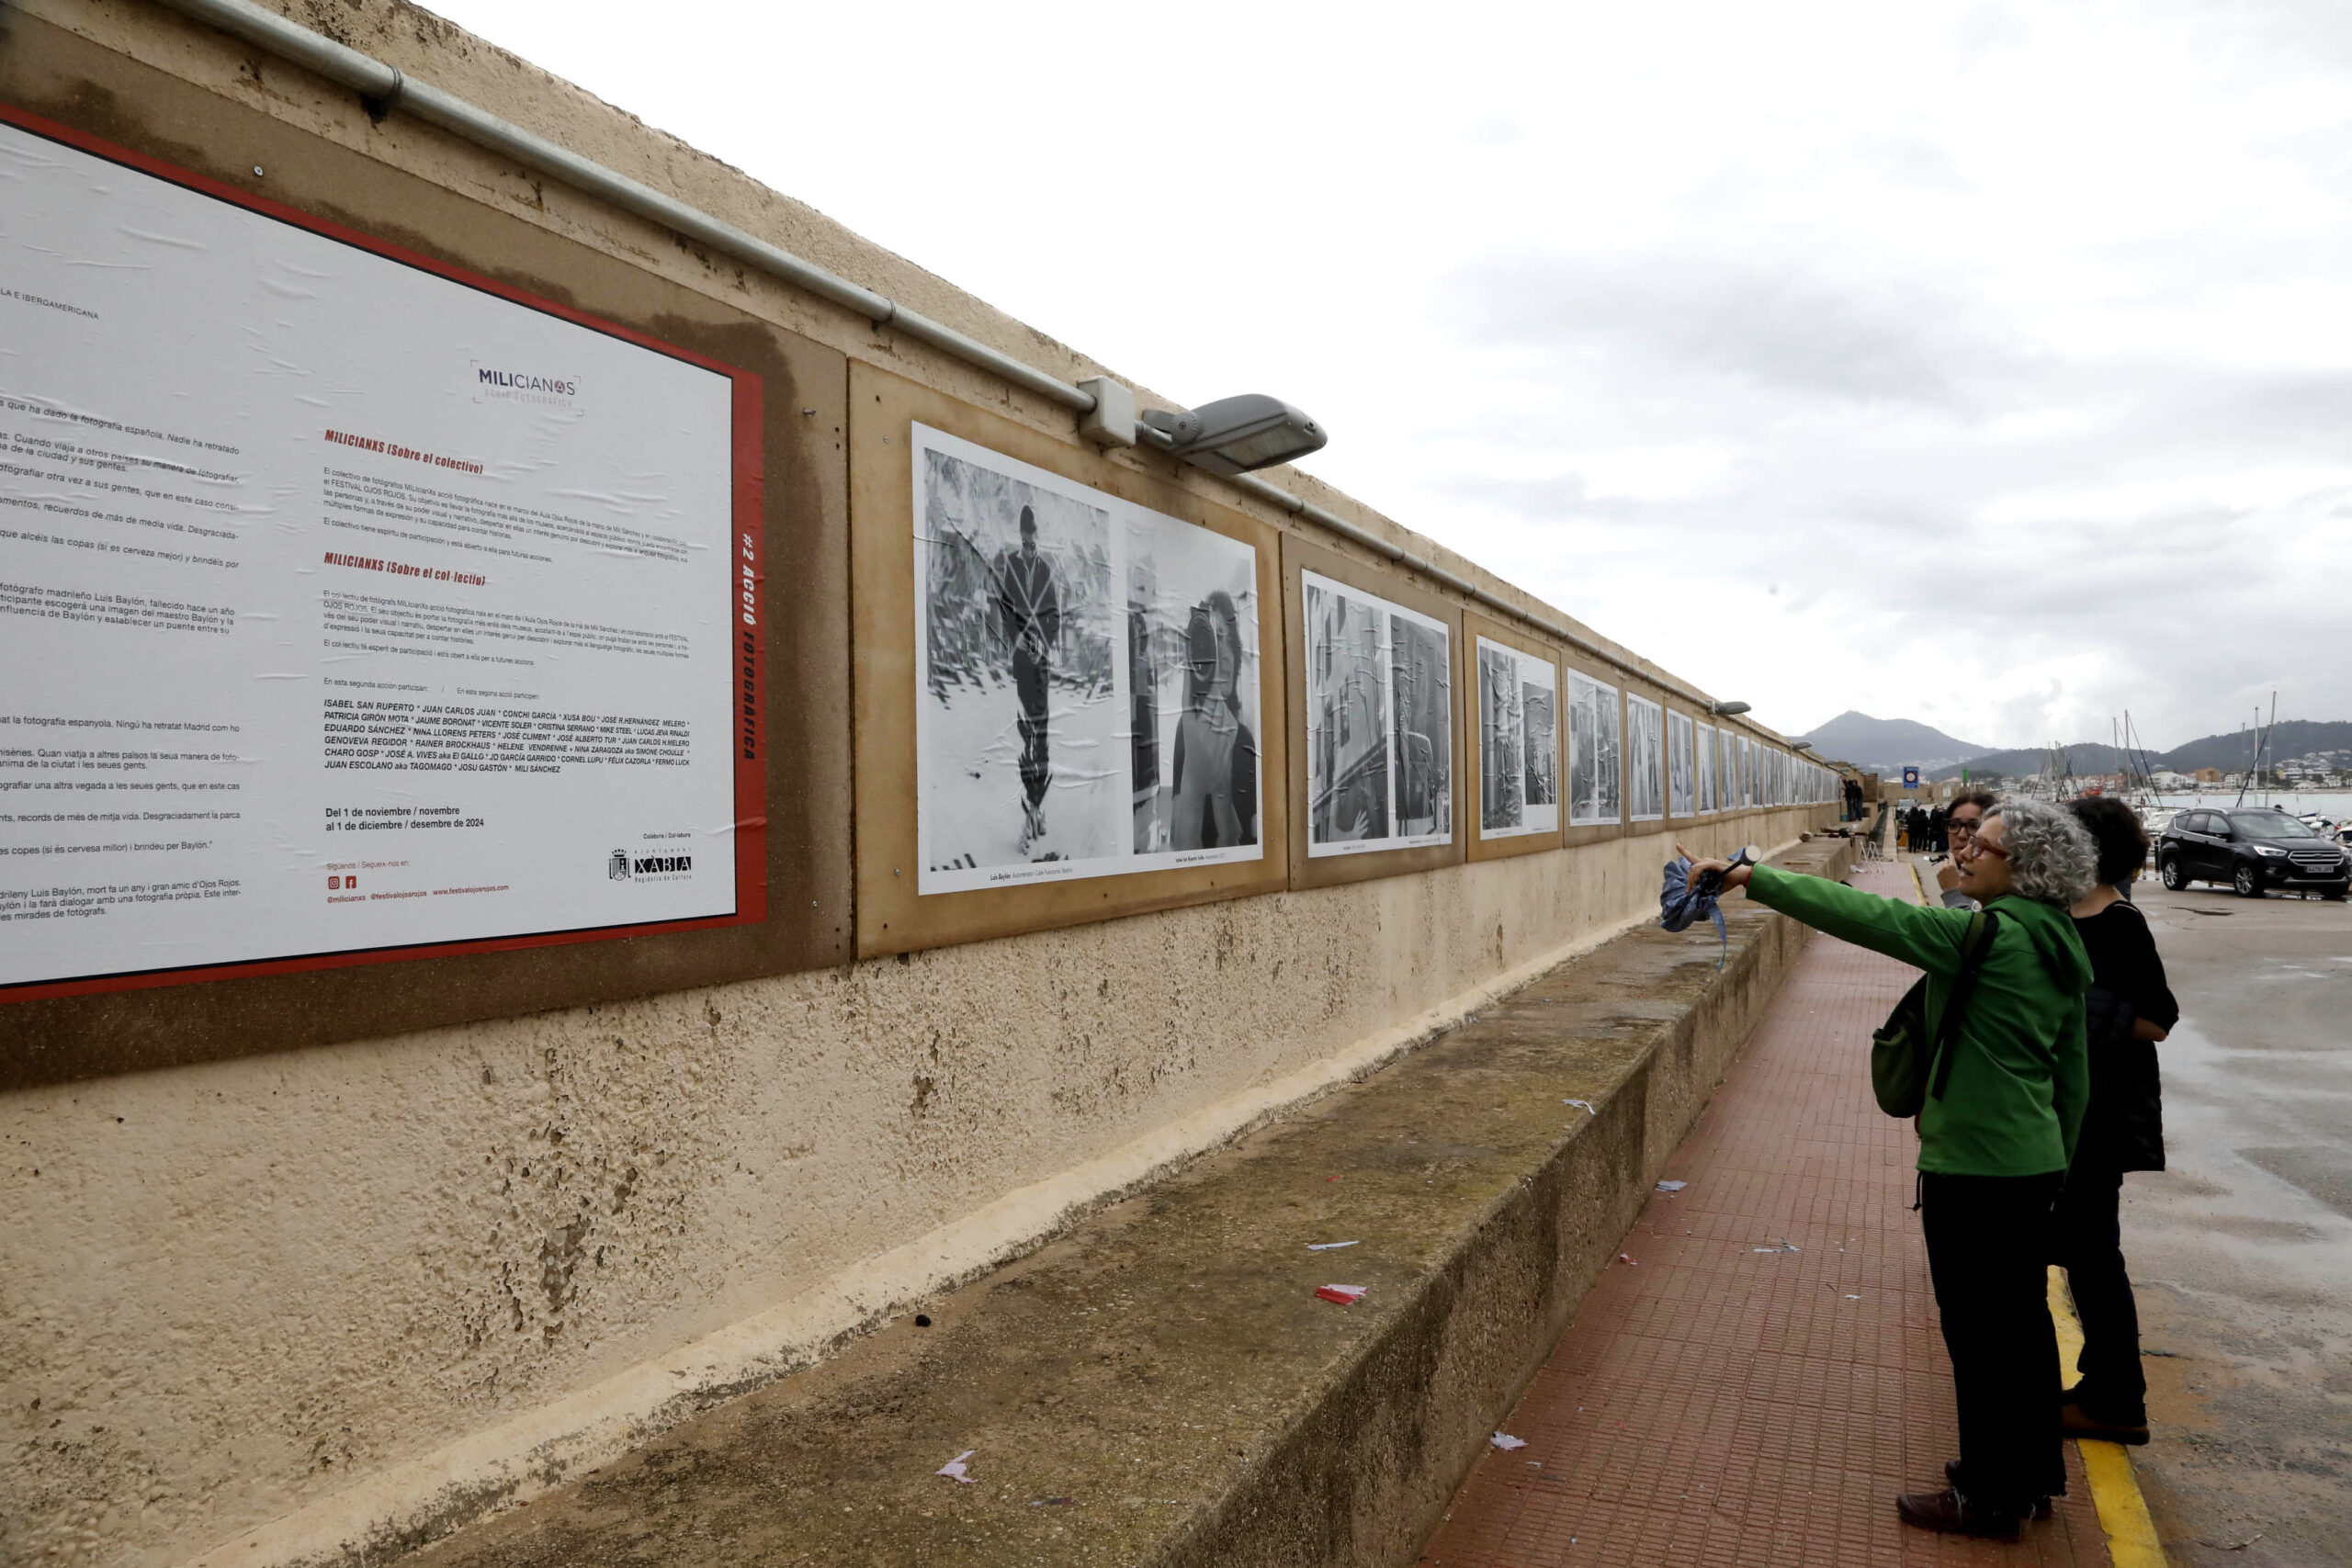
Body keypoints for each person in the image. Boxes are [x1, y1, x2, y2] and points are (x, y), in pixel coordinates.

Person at [1681, 797, 2095, 1540]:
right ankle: (2032, 1477)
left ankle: (1988, 1495)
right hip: (2031, 1164)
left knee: (1977, 1333)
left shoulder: (1988, 936)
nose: (1964, 852)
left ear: (2023, 869)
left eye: (1984, 847)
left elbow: (1868, 917)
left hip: (1974, 1167)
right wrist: (2055, 1162)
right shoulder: (2060, 938)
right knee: (2020, 1328)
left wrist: (1754, 877)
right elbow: (2073, 1073)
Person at [2057, 796, 2177, 1447]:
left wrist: (2070, 1012)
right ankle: (2102, 1388)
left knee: (2094, 1259)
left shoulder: (2121, 921)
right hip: (2056, 1111)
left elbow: (2158, 1017)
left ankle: (2116, 1397)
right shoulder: (2057, 912)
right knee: (2078, 1256)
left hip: (2096, 1116)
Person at [993, 505, 1059, 852]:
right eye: (1024, 542)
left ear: (1038, 538)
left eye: (1032, 542)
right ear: (1020, 538)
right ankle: (1030, 810)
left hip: (1042, 663)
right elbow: (1006, 610)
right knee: (1026, 735)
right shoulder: (1012, 567)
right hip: (1022, 662)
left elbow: (1054, 616)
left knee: (1043, 733)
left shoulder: (1047, 571)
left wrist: (1042, 644)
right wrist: (1020, 641)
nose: (1028, 548)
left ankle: (1039, 806)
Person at [1170, 592, 1252, 850]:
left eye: (1230, 642)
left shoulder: (1245, 740)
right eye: (1216, 642)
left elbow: (1252, 847)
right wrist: (1193, 773)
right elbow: (1177, 844)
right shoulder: (1186, 731)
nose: (1226, 655)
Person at [1935, 790, 2000, 909]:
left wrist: (1953, 894)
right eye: (1954, 825)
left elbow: (1975, 927)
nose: (1961, 834)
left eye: (1974, 826)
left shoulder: (1998, 885)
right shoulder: (1959, 876)